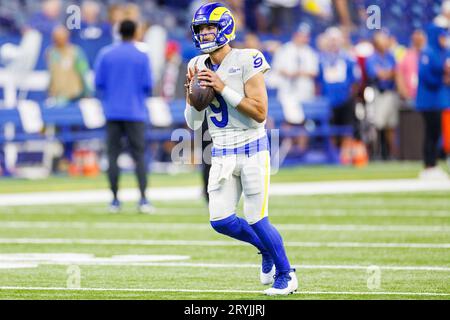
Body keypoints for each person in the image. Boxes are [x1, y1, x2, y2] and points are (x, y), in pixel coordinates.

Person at [184, 2, 297, 295]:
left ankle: (287, 274)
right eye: (202, 29)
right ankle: (266, 250)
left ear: (225, 28)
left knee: (256, 217)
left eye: (210, 28)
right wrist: (191, 100)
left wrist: (222, 88)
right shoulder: (195, 64)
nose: (206, 33)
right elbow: (195, 124)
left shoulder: (248, 58)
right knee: (220, 220)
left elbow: (259, 112)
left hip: (251, 147)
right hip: (220, 152)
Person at [94, 20, 154, 213]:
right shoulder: (142, 56)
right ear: (136, 31)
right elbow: (148, 85)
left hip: (112, 112)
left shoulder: (106, 54)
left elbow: (98, 83)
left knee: (113, 156)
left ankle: (114, 200)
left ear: (118, 32)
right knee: (139, 156)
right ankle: (143, 199)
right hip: (135, 112)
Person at [416, 24, 450, 180]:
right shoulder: (428, 52)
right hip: (427, 100)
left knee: (436, 133)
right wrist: (442, 78)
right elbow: (425, 76)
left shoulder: (443, 51)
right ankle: (429, 165)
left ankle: (433, 163)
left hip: (438, 99)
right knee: (431, 132)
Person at [365, 30, 399, 160]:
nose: (384, 42)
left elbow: (396, 72)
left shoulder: (390, 56)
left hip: (391, 93)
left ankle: (390, 153)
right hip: (378, 93)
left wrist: (388, 74)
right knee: (378, 124)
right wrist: (389, 74)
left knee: (391, 124)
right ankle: (377, 153)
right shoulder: (372, 58)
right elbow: (377, 74)